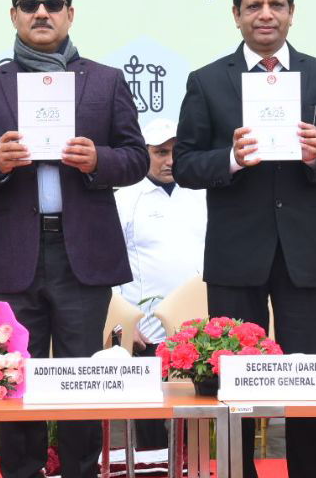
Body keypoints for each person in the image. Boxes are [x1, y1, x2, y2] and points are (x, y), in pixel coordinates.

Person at [0, 0, 148, 478]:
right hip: (13, 254)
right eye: (30, 4)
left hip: (83, 253)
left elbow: (136, 159)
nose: (42, 12)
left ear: (70, 13)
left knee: (81, 380)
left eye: (53, 4)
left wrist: (97, 160)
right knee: (16, 377)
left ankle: (83, 470)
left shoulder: (105, 82)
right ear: (14, 14)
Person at [173, 0, 316, 478]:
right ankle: (240, 473)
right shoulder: (208, 81)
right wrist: (231, 159)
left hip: (301, 251)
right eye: (254, 6)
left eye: (276, 4)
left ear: (292, 12)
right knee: (235, 379)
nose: (266, 14)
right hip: (236, 255)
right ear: (236, 15)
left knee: (307, 382)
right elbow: (186, 164)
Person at [113, 117, 207, 451]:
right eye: (160, 152)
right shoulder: (124, 198)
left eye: (176, 151)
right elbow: (110, 263)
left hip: (198, 330)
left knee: (197, 412)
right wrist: (123, 322)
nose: (170, 160)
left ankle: (192, 469)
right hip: (146, 328)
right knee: (150, 413)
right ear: (144, 153)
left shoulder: (203, 193)